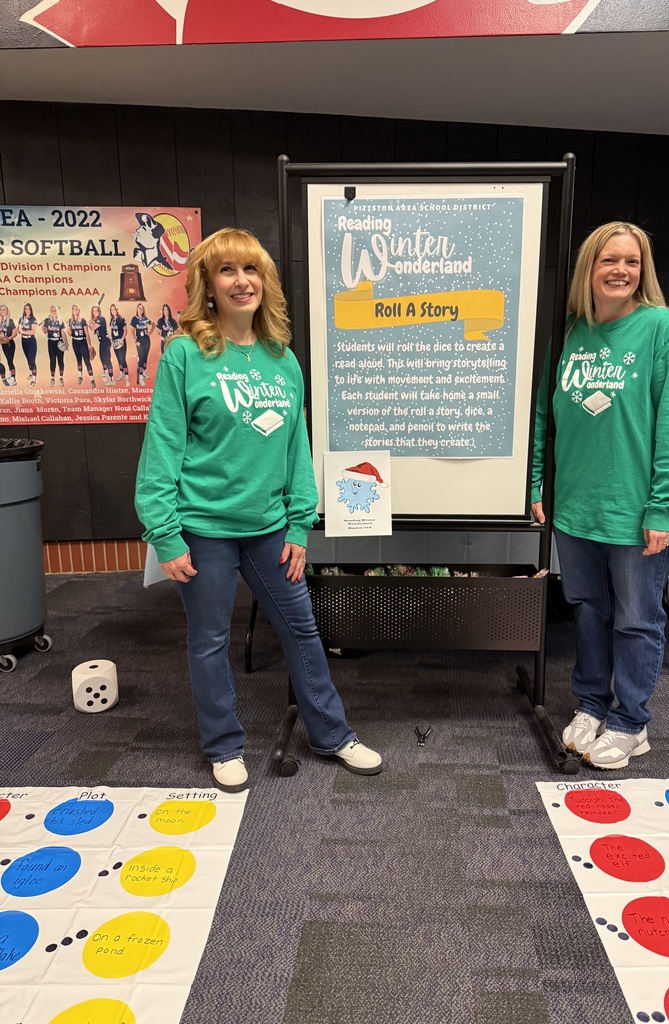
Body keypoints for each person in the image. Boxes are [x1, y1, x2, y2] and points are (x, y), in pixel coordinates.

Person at [134, 226, 382, 792]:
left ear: (264, 283)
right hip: (203, 529)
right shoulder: (185, 356)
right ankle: (223, 745)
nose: (241, 281)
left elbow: (298, 448)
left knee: (302, 629)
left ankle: (332, 735)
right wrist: (164, 534)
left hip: (271, 528)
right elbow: (163, 447)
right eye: (227, 270)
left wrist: (300, 522)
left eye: (252, 271)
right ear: (208, 284)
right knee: (211, 639)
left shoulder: (281, 358)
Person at [531, 221, 669, 770]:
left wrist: (663, 506)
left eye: (632, 261)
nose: (620, 270)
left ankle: (631, 721)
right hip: (576, 510)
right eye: (609, 260)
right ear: (589, 269)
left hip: (636, 514)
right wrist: (537, 483)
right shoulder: (571, 333)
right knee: (587, 612)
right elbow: (543, 418)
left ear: (643, 270)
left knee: (636, 619)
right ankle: (590, 704)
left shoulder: (662, 330)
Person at [68, 304, 96, 388]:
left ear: (79, 310)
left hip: (83, 341)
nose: (75, 310)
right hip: (75, 342)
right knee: (78, 360)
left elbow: (87, 334)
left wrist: (89, 345)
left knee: (87, 361)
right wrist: (67, 325)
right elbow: (69, 334)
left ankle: (92, 379)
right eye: (74, 309)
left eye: (77, 309)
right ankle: (80, 376)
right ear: (72, 311)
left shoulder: (82, 320)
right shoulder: (70, 320)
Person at [41, 305, 68, 387]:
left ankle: (61, 378)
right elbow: (45, 332)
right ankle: (52, 378)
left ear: (57, 311)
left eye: (55, 310)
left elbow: (63, 333)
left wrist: (66, 343)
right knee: (52, 361)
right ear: (50, 311)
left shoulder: (61, 321)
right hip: (51, 342)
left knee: (60, 361)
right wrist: (42, 325)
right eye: (52, 310)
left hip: (59, 342)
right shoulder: (47, 321)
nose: (54, 312)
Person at [89, 304, 114, 386]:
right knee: (102, 358)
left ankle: (111, 379)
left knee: (107, 359)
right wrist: (93, 321)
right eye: (93, 311)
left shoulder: (101, 319)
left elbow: (92, 328)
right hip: (102, 342)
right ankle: (105, 373)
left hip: (106, 341)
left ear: (99, 311)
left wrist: (90, 323)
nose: (95, 312)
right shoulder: (97, 320)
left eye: (96, 310)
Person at [130, 302, 155, 385]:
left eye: (142, 308)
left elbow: (153, 324)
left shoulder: (146, 318)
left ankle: (144, 372)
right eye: (139, 308)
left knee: (145, 358)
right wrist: (135, 341)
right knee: (141, 358)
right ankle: (140, 378)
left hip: (147, 341)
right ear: (137, 309)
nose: (141, 310)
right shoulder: (134, 319)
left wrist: (150, 332)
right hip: (139, 342)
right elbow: (131, 331)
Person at [109, 303, 130, 385]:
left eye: (114, 309)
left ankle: (127, 378)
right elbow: (111, 330)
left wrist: (122, 339)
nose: (113, 311)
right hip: (115, 342)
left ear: (116, 310)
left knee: (122, 359)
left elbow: (125, 330)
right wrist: (111, 338)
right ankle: (122, 374)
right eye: (111, 310)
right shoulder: (111, 320)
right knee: (118, 359)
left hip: (121, 342)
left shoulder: (121, 318)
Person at [18, 302, 38, 386]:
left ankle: (34, 379)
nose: (27, 310)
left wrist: (23, 331)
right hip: (24, 341)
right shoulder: (21, 318)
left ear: (31, 310)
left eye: (28, 309)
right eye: (25, 309)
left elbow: (33, 332)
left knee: (32, 360)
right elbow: (19, 329)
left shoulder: (33, 319)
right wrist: (24, 331)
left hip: (31, 342)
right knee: (28, 359)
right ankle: (31, 373)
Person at [0, 304, 18, 387]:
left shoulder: (10, 321)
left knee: (10, 361)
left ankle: (13, 379)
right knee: (6, 360)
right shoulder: (0, 322)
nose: (2, 311)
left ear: (7, 311)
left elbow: (15, 333)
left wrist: (8, 338)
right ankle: (10, 376)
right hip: (3, 344)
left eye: (4, 309)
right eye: (1, 310)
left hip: (9, 344)